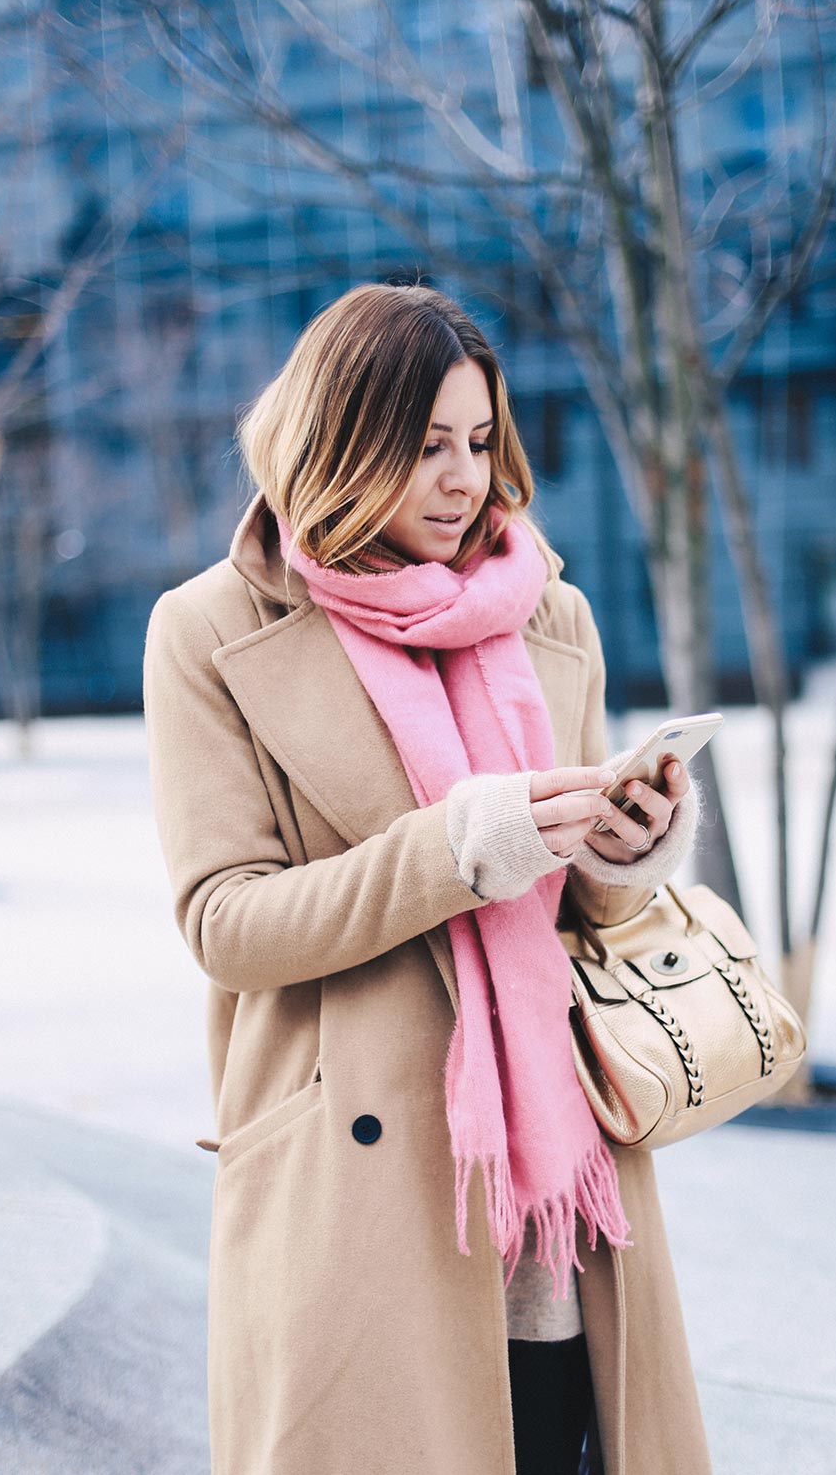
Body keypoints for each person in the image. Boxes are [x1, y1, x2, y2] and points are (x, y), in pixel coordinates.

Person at [142, 283, 712, 1475]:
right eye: (425, 445)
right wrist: (459, 846)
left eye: (479, 441)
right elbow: (226, 922)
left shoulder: (552, 616)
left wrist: (622, 850)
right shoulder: (208, 630)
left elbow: (566, 912)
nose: (465, 478)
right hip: (365, 1185)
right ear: (339, 441)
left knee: (563, 1440)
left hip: (556, 1180)